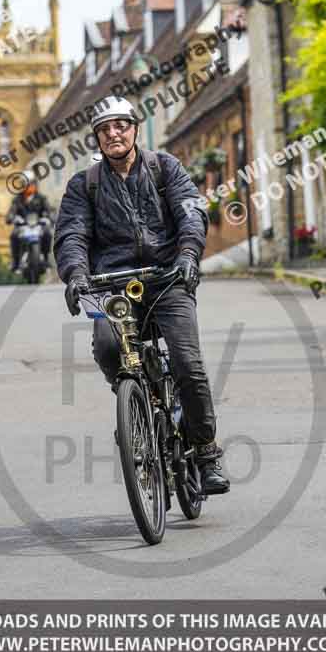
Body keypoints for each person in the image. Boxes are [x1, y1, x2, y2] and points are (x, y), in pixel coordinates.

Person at [53, 96, 229, 495]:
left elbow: (190, 211)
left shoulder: (164, 168)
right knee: (108, 347)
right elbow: (72, 235)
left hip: (167, 278)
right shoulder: (85, 185)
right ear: (97, 139)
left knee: (187, 364)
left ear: (133, 128)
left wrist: (187, 254)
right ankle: (133, 402)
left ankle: (205, 451)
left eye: (119, 125)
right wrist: (76, 275)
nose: (112, 134)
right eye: (103, 129)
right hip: (110, 284)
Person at [5, 170, 53, 274]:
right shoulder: (17, 200)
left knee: (48, 233)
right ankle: (16, 262)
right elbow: (11, 212)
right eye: (26, 184)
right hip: (23, 226)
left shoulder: (42, 198)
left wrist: (48, 218)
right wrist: (12, 218)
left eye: (31, 183)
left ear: (35, 184)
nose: (29, 186)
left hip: (38, 225)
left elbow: (49, 211)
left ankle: (46, 258)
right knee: (13, 235)